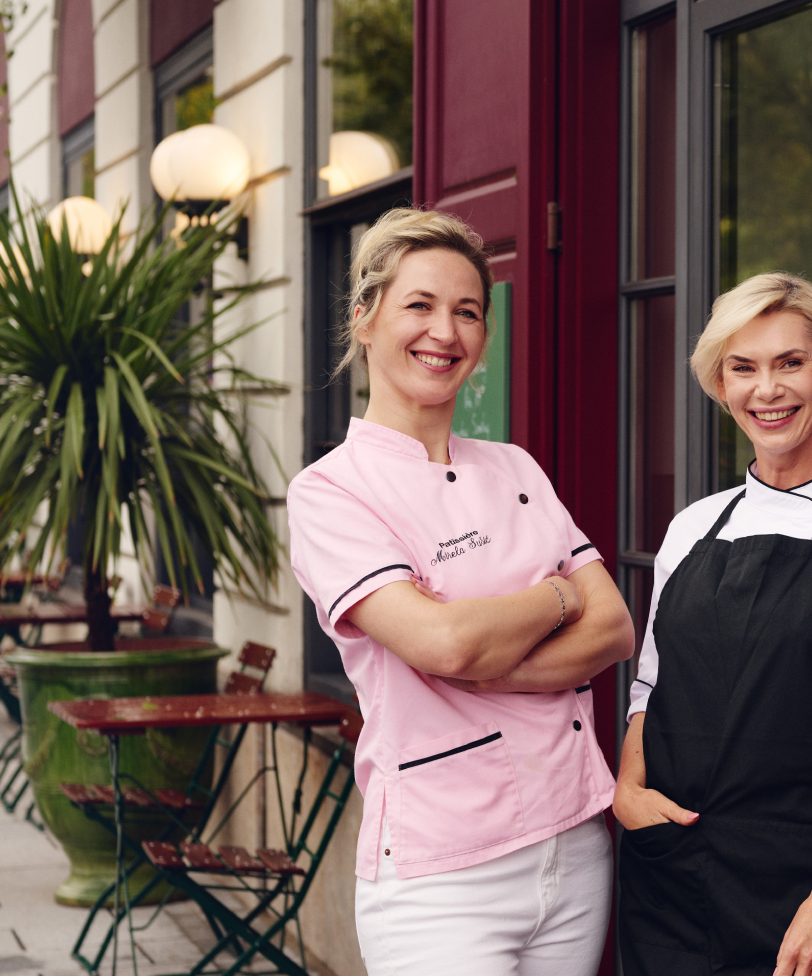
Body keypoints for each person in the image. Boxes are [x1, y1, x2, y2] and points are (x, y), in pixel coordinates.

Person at [286, 208, 635, 976]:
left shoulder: (515, 467)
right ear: (365, 319)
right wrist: (554, 601)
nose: (444, 331)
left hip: (576, 845)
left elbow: (614, 627)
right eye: (419, 305)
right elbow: (441, 642)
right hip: (444, 875)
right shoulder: (331, 492)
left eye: (468, 311)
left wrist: (480, 658)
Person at [614, 273, 812, 976]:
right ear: (720, 385)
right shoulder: (692, 527)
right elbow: (650, 685)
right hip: (669, 871)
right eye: (743, 368)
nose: (767, 390)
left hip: (798, 887)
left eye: (791, 363)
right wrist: (628, 790)